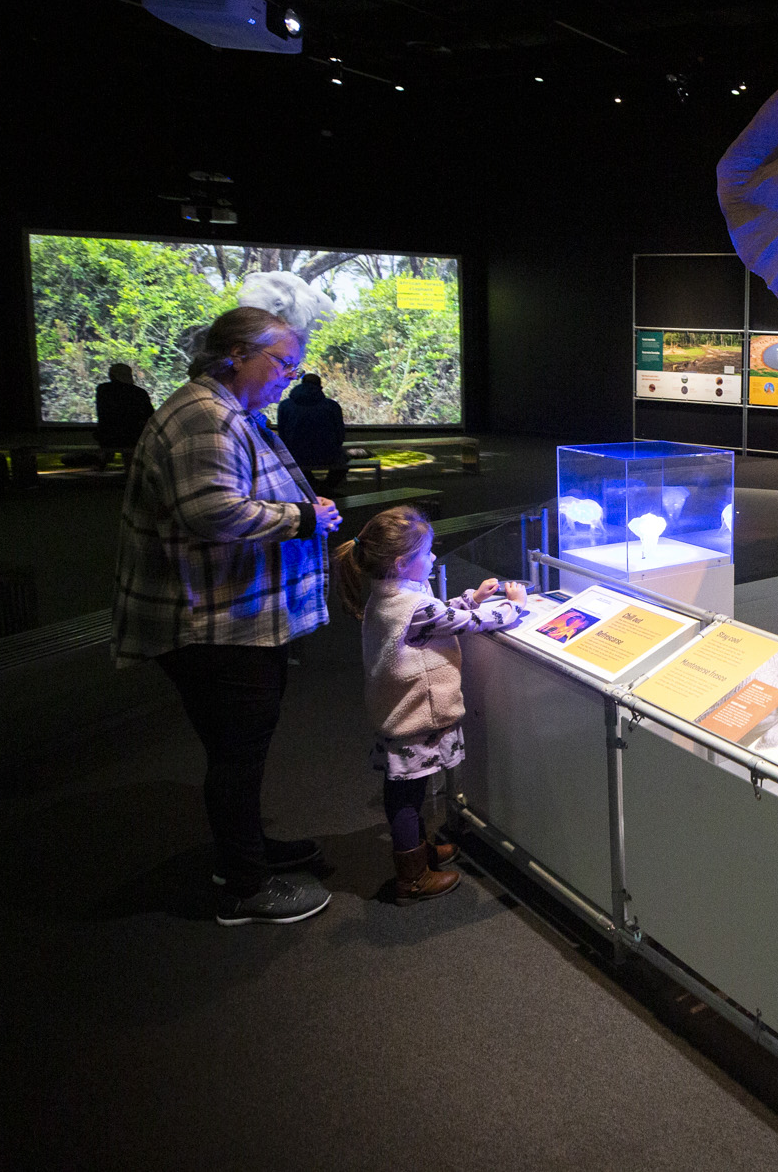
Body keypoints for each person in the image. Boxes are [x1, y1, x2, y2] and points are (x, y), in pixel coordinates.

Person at [113, 306, 343, 926]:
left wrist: (299, 504)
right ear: (237, 355)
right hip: (212, 625)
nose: (291, 377)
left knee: (237, 747)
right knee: (237, 751)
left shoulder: (228, 413)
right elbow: (212, 513)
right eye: (284, 363)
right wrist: (302, 518)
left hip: (231, 617)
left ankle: (246, 852)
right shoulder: (205, 418)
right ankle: (246, 887)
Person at [333, 507, 526, 902]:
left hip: (397, 712)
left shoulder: (390, 593)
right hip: (415, 717)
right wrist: (513, 604)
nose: (434, 558)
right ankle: (413, 877)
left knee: (408, 791)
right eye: (427, 553)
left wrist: (472, 597)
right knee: (406, 796)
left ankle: (417, 854)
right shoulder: (412, 606)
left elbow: (442, 616)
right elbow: (466, 623)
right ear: (403, 563)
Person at [276, 372, 348, 490]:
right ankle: (325, 490)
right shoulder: (332, 406)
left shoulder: (285, 405)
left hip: (296, 455)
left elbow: (282, 435)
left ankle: (313, 488)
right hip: (328, 455)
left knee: (294, 463)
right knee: (343, 462)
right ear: (320, 387)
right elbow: (340, 435)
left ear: (301, 384)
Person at [94, 363, 154, 469]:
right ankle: (129, 472)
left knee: (109, 434)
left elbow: (103, 415)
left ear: (112, 376)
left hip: (107, 436)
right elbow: (150, 414)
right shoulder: (139, 393)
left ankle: (102, 465)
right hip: (132, 437)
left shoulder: (103, 390)